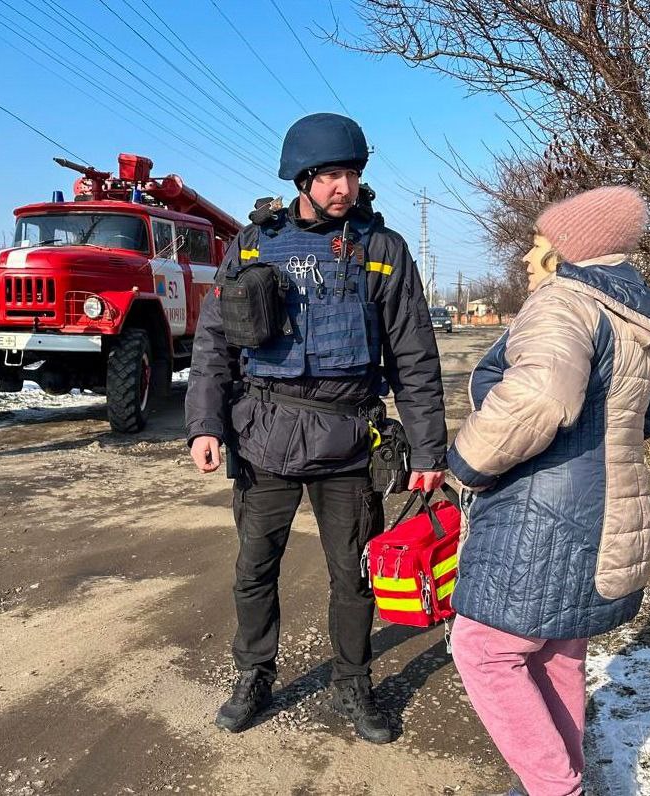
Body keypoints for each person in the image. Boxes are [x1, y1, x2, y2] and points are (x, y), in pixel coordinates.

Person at [185, 113, 447, 744]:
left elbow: (414, 354)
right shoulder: (251, 245)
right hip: (264, 434)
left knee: (353, 575)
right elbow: (214, 343)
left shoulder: (382, 251)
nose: (344, 187)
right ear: (303, 177)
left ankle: (353, 682)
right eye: (331, 174)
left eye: (352, 174)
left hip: (349, 439)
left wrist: (429, 449)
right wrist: (204, 424)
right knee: (254, 567)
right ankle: (254, 674)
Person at [446, 186, 650, 795]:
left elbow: (541, 397)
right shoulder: (630, 318)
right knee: (557, 652)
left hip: (542, 516)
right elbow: (643, 420)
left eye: (536, 245)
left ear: (567, 252)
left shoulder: (563, 305)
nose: (527, 259)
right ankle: (559, 780)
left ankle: (555, 787)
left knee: (484, 651)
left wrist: (467, 461)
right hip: (605, 513)